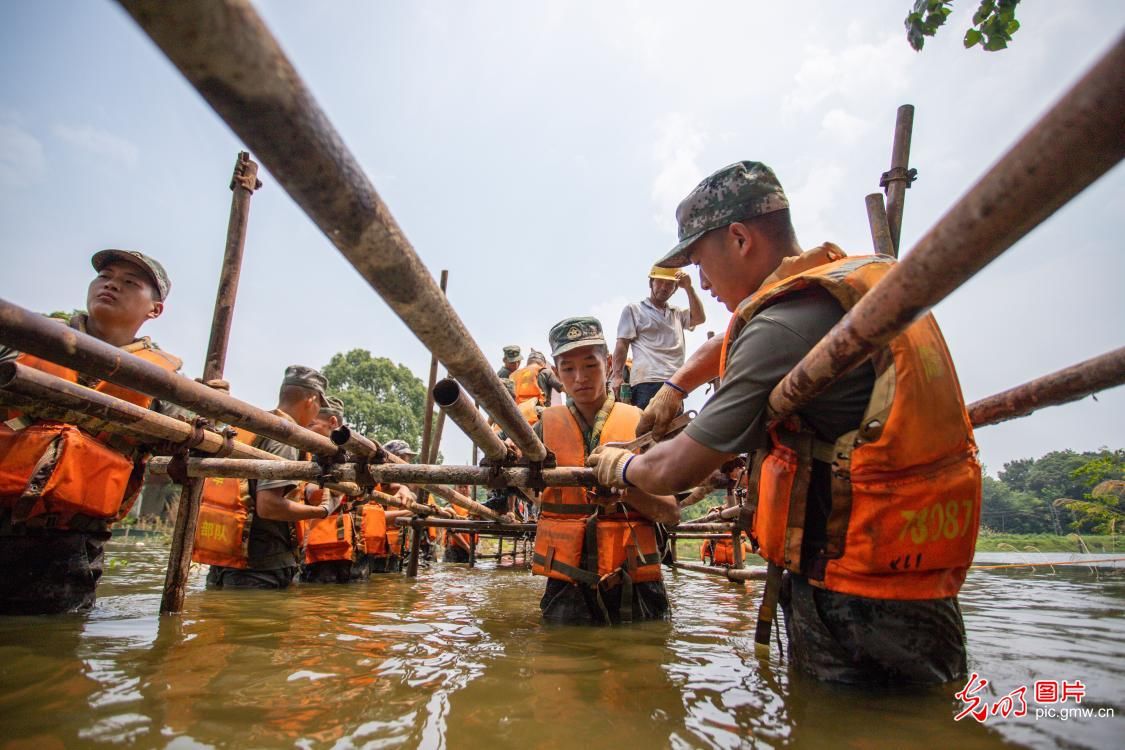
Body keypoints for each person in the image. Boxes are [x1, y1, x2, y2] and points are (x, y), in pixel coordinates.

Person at [586, 161, 981, 685]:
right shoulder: (852, 283)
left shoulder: (780, 327)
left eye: (701, 261)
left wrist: (620, 465)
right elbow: (728, 338)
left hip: (854, 600)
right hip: (912, 578)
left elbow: (673, 470)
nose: (701, 280)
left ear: (740, 239)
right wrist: (676, 386)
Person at [0, 249, 182, 614]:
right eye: (106, 276)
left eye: (130, 282)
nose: (112, 284)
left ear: (154, 309)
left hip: (67, 546)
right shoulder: (26, 338)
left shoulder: (163, 382)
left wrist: (208, 411)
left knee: (47, 657)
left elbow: (196, 446)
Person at [531, 316, 679, 624]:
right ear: (556, 373)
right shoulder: (542, 429)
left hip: (634, 587)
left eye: (590, 365)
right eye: (568, 369)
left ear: (609, 363)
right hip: (566, 588)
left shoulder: (642, 423)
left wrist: (626, 493)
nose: (579, 377)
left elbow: (670, 514)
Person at [206, 365, 341, 589]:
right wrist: (321, 511)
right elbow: (269, 506)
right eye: (319, 405)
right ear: (310, 400)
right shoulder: (286, 436)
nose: (317, 412)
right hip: (261, 566)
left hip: (228, 559)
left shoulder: (253, 426)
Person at [609, 265, 705, 409]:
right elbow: (622, 344)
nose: (664, 287)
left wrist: (689, 288)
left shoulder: (676, 313)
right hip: (647, 382)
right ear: (651, 283)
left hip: (675, 382)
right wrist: (617, 376)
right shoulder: (634, 310)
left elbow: (699, 318)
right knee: (647, 428)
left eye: (669, 284)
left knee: (675, 428)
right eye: (659, 282)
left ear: (675, 289)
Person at [296, 396, 363, 584]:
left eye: (311, 424)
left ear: (332, 422)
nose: (305, 430)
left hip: (346, 549)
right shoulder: (306, 452)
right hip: (313, 549)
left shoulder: (356, 453)